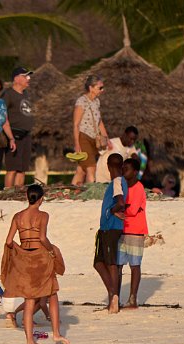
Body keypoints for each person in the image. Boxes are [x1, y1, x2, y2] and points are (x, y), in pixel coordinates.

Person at [1, 184, 70, 344]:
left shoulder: (18, 216)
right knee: (52, 294)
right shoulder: (43, 215)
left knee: (29, 299)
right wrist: (52, 249)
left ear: (27, 197)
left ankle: (29, 342)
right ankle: (56, 333)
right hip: (40, 257)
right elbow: (42, 238)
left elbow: (9, 241)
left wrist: (20, 249)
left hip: (25, 258)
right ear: (41, 199)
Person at [94, 153, 127, 314]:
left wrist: (113, 210)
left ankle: (114, 297)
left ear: (108, 166)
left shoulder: (117, 182)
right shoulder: (118, 182)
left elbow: (121, 202)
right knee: (99, 262)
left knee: (111, 263)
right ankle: (113, 295)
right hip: (107, 227)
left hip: (111, 227)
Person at [118, 158, 147, 310]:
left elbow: (132, 210)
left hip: (135, 231)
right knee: (118, 265)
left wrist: (119, 210)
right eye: (123, 168)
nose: (124, 171)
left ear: (135, 172)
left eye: (127, 169)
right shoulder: (122, 186)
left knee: (135, 265)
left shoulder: (139, 187)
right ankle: (115, 297)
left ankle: (133, 298)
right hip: (123, 230)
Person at [72, 74, 110, 185]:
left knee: (81, 169)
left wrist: (107, 138)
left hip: (94, 139)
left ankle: (69, 191)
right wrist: (77, 144)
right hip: (83, 137)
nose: (102, 90)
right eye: (100, 88)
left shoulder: (97, 102)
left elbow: (99, 122)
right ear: (91, 88)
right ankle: (91, 193)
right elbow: (76, 124)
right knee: (91, 168)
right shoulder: (81, 101)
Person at [2, 67, 34, 189]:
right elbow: (2, 117)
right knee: (12, 168)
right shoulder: (8, 94)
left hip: (26, 134)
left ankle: (18, 193)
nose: (28, 79)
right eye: (25, 76)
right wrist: (10, 137)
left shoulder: (26, 93)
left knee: (22, 169)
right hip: (14, 134)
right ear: (16, 79)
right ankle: (8, 193)